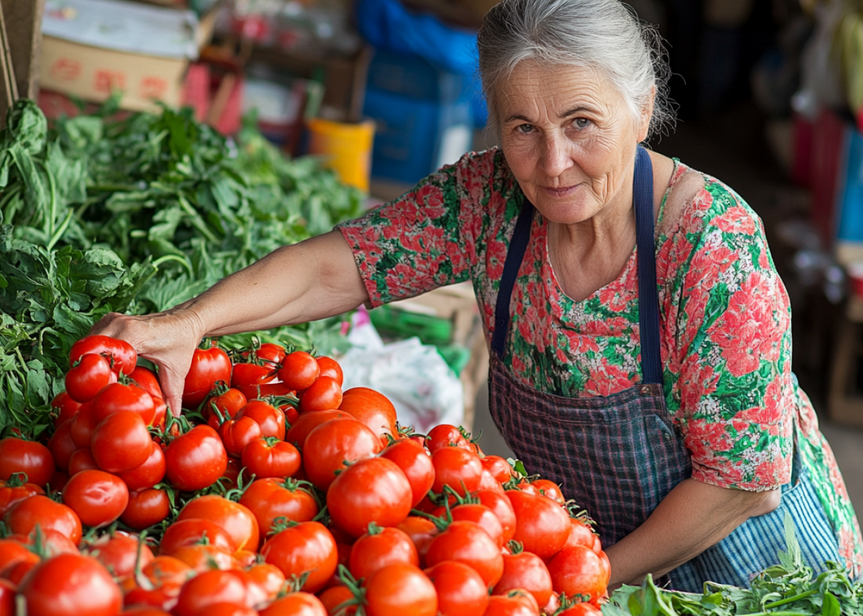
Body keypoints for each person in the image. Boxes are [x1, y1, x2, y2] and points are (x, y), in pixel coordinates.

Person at [91, 0, 862, 592]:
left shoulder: (710, 248)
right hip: (598, 562)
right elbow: (341, 267)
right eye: (522, 126)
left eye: (582, 122)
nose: (553, 161)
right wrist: (190, 323)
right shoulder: (489, 201)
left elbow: (741, 486)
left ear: (644, 105)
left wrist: (581, 583)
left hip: (756, 573)